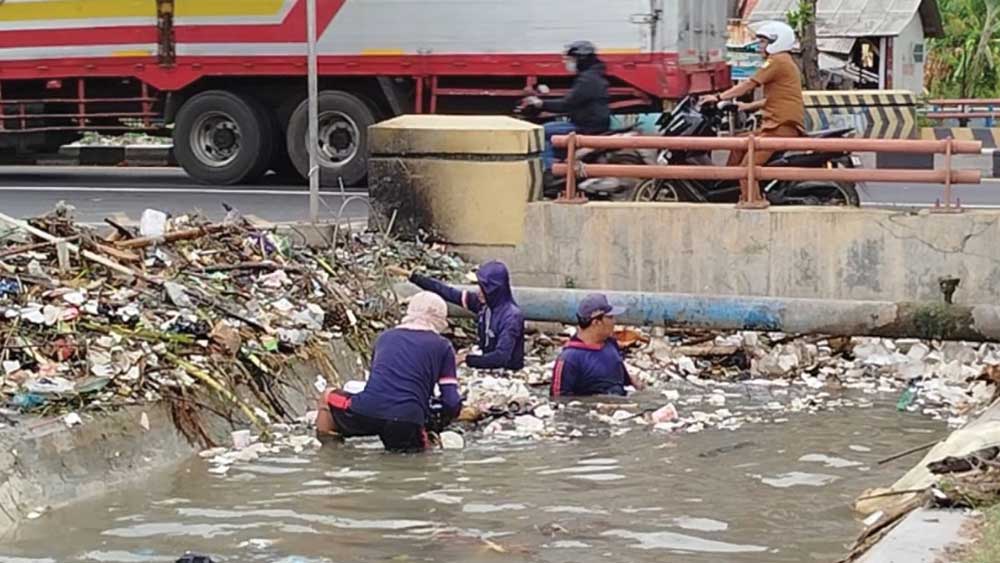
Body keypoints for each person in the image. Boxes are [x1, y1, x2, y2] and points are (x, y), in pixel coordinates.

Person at [316, 292, 462, 453]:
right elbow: (451, 403)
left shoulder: (385, 337)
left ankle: (329, 454)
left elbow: (381, 384)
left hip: (367, 411)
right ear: (440, 318)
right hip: (407, 421)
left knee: (327, 396)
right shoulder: (443, 346)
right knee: (416, 460)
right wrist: (438, 420)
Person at [700, 21, 805, 188]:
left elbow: (749, 84)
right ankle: (725, 187)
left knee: (746, 170)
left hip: (779, 128)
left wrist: (718, 97)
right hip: (774, 126)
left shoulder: (777, 61)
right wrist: (746, 107)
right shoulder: (784, 62)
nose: (759, 46)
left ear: (777, 42)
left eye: (763, 42)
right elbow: (774, 99)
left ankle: (753, 202)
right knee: (737, 144)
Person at [408, 260, 525, 371]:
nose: (479, 292)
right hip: (485, 366)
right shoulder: (484, 305)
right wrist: (414, 278)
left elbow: (501, 357)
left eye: (483, 288)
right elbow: (447, 292)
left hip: (507, 372)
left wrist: (466, 359)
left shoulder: (511, 317)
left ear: (494, 290)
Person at [524, 40, 611, 172]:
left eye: (570, 59)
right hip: (593, 124)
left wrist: (541, 103)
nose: (567, 63)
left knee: (542, 132)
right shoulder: (593, 76)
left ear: (581, 59)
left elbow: (566, 104)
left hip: (585, 127)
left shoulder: (587, 80)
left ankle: (549, 170)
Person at [551, 294, 639, 398]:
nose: (614, 322)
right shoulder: (569, 359)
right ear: (596, 322)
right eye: (610, 317)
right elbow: (558, 399)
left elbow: (623, 380)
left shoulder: (610, 344)